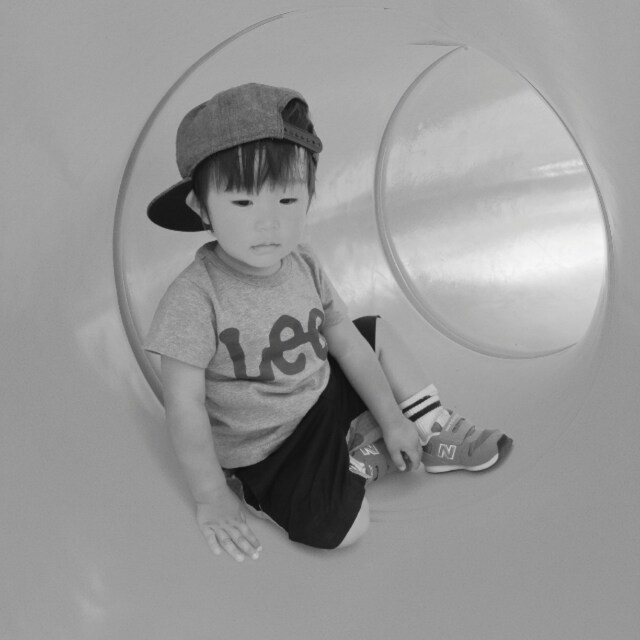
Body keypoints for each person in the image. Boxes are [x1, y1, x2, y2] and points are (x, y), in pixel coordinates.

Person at [144, 83, 512, 562]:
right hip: (272, 448)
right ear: (201, 208)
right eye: (242, 203)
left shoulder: (304, 262)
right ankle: (350, 459)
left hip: (320, 396)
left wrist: (393, 419)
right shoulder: (195, 297)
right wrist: (211, 494)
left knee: (372, 331)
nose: (268, 224)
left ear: (309, 197)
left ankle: (428, 427)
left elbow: (347, 344)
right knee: (345, 530)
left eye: (287, 200)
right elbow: (184, 406)